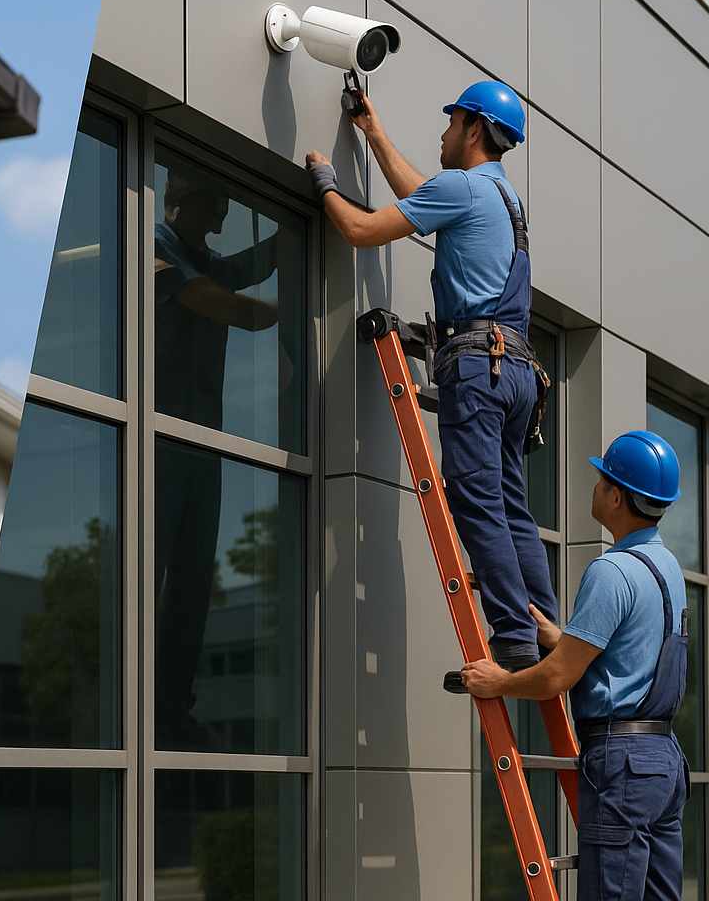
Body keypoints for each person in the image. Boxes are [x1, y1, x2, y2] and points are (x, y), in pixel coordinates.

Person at [306, 80, 554, 677]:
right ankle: (543, 627)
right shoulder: (499, 197)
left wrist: (325, 185)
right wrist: (375, 133)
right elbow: (422, 196)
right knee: (512, 507)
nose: (442, 134)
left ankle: (515, 637)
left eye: (450, 124)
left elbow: (361, 232)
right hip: (517, 370)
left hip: (478, 369)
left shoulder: (463, 187)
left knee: (474, 498)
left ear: (473, 128)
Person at [460, 431, 690, 901]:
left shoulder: (611, 571)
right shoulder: (667, 567)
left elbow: (557, 678)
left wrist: (498, 681)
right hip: (664, 760)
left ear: (617, 496)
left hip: (622, 763)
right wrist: (564, 640)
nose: (595, 487)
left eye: (601, 478)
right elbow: (632, 650)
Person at [152, 167, 279, 748]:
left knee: (195, 576)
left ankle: (171, 708)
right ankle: (131, 702)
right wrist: (277, 313)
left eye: (223, 221)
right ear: (183, 205)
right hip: (156, 435)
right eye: (210, 216)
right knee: (148, 570)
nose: (216, 229)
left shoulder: (201, 254)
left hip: (206, 440)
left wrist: (312, 213)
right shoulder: (154, 244)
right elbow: (215, 301)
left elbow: (251, 266)